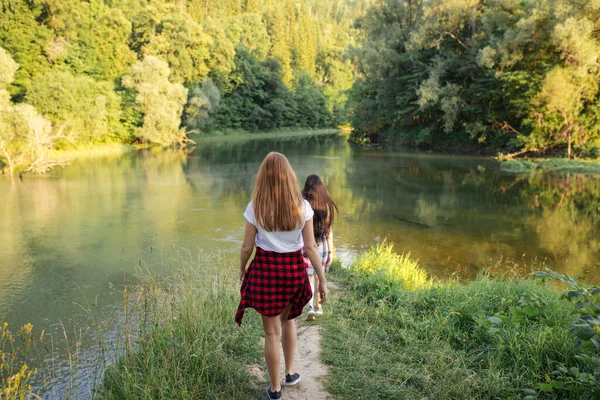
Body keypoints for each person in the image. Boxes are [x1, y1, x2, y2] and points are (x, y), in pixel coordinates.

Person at [235, 152, 328, 400]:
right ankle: (290, 373)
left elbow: (247, 247)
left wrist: (242, 268)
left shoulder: (256, 207)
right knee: (288, 321)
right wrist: (322, 278)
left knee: (271, 333)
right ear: (289, 176)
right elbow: (310, 248)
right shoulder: (302, 206)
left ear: (263, 176)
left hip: (266, 270)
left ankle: (275, 390)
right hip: (293, 271)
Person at [301, 174, 337, 321]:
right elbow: (328, 231)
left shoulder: (303, 204)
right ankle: (319, 306)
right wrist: (330, 251)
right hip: (321, 245)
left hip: (306, 244)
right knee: (318, 275)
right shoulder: (326, 205)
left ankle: (310, 307)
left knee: (309, 276)